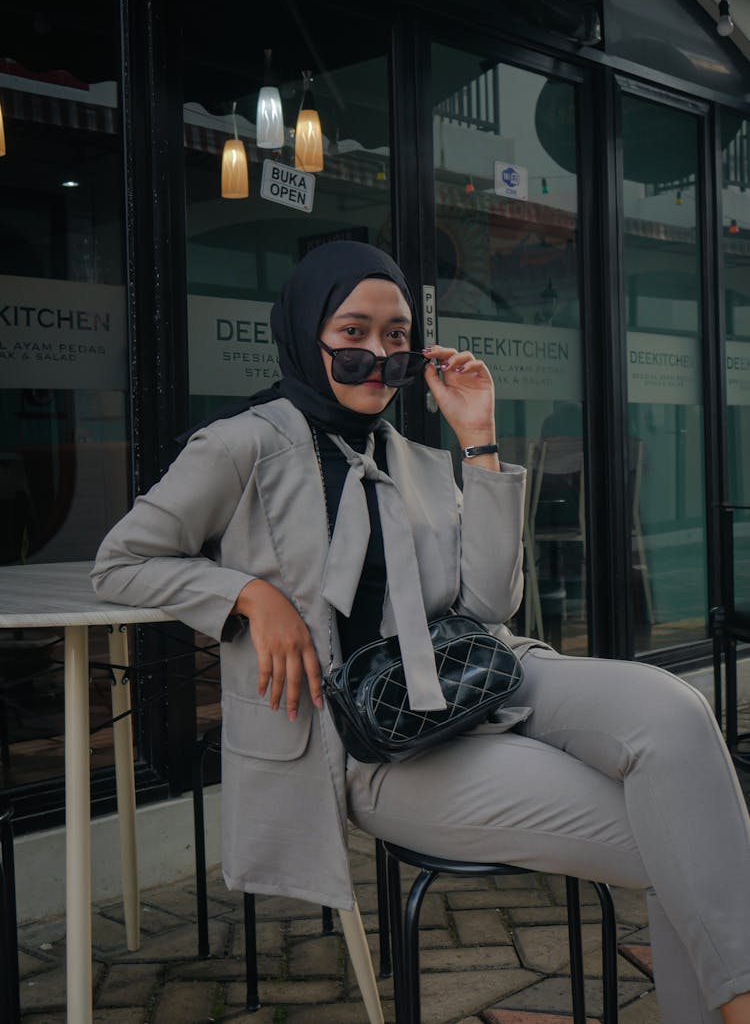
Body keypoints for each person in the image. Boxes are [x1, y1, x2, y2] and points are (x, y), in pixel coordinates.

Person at [92, 241, 750, 1024]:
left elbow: (489, 606)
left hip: (480, 675)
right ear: (307, 333)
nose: (378, 354)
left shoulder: (414, 457)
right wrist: (248, 594)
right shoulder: (243, 446)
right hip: (378, 751)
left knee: (674, 711)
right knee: (690, 846)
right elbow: (122, 562)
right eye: (354, 331)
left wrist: (479, 438)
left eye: (396, 334)